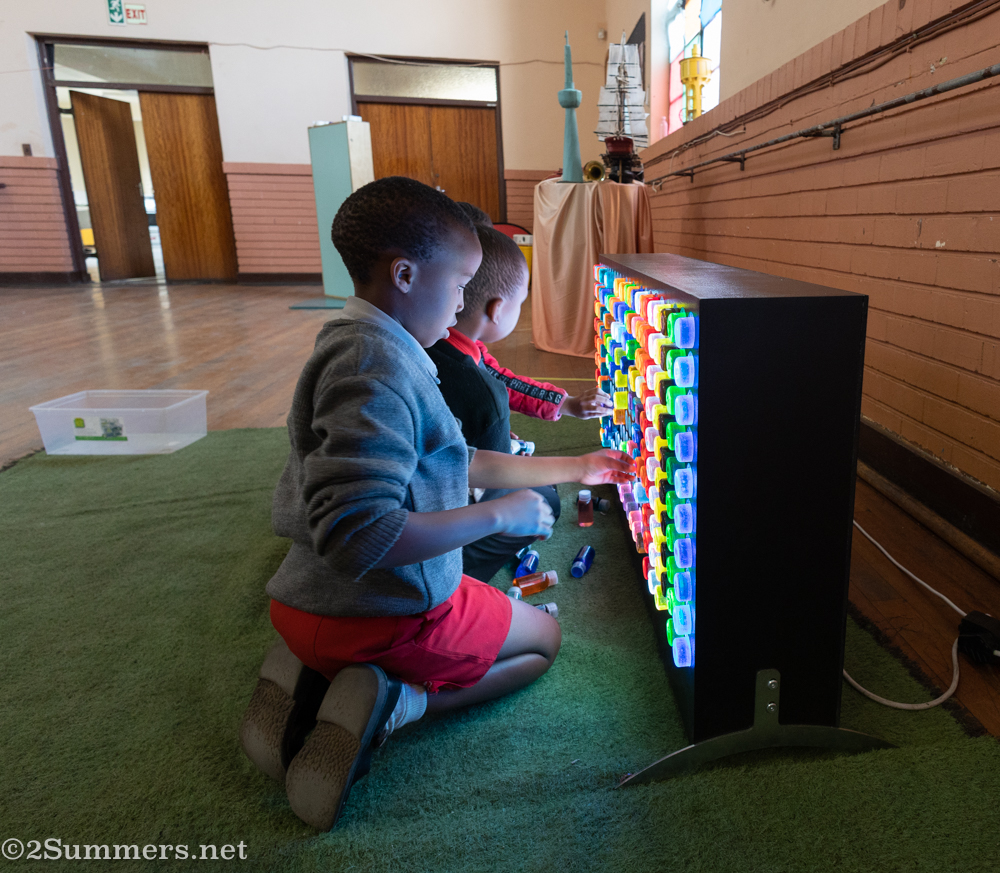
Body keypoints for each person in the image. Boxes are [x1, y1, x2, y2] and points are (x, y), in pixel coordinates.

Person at [239, 177, 634, 831]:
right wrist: (500, 515)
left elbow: (457, 461)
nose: (460, 306)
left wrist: (578, 465)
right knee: (544, 641)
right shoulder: (377, 369)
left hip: (302, 603)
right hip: (380, 611)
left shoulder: (367, 343)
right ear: (403, 273)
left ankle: (311, 672)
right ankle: (393, 701)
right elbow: (361, 536)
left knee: (507, 611)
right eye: (457, 284)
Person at [427, 225, 612, 581]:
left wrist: (566, 403)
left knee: (543, 485)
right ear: (497, 309)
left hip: (458, 482)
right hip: (450, 518)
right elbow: (482, 466)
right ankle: (462, 576)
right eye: (522, 303)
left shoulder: (458, 346)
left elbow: (505, 380)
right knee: (547, 500)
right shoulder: (475, 388)